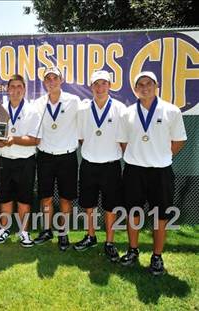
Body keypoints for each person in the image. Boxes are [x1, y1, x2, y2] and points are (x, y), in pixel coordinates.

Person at [117, 71, 187, 275]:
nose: (145, 87)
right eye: (140, 84)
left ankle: (157, 257)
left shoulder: (171, 111)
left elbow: (179, 140)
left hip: (161, 171)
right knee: (133, 213)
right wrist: (137, 157)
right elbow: (123, 141)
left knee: (161, 216)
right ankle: (133, 250)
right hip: (134, 171)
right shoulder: (127, 113)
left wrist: (163, 156)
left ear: (156, 86)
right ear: (135, 88)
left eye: (149, 83)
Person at [73, 70, 126, 262]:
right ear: (91, 87)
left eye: (103, 83)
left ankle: (109, 242)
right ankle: (91, 236)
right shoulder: (83, 110)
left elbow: (124, 139)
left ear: (110, 86)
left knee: (110, 206)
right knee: (89, 204)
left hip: (111, 165)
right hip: (88, 164)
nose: (100, 87)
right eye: (96, 84)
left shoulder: (120, 109)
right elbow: (80, 137)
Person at [33, 67, 81, 251]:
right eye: (48, 78)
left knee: (65, 198)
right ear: (44, 82)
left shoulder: (74, 101)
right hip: (45, 156)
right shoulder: (38, 103)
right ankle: (46, 230)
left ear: (61, 80)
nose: (51, 81)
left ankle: (63, 232)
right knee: (45, 197)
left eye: (55, 78)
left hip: (67, 156)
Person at [0, 74, 42, 248]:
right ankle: (4, 230)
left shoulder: (33, 110)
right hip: (3, 160)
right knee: (4, 197)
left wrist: (13, 139)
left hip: (25, 161)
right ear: (7, 89)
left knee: (24, 198)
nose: (15, 90)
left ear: (24, 89)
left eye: (19, 86)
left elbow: (35, 139)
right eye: (12, 87)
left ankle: (24, 232)